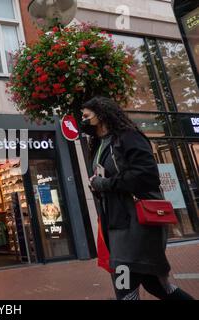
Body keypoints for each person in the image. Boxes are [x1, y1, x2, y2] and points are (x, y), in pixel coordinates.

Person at [81, 96, 194, 300]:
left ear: (101, 114)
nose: (83, 118)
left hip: (137, 224)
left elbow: (147, 174)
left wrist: (104, 184)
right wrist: (97, 186)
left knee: (125, 287)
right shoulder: (98, 145)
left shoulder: (128, 137)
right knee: (156, 285)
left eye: (86, 115)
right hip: (118, 224)